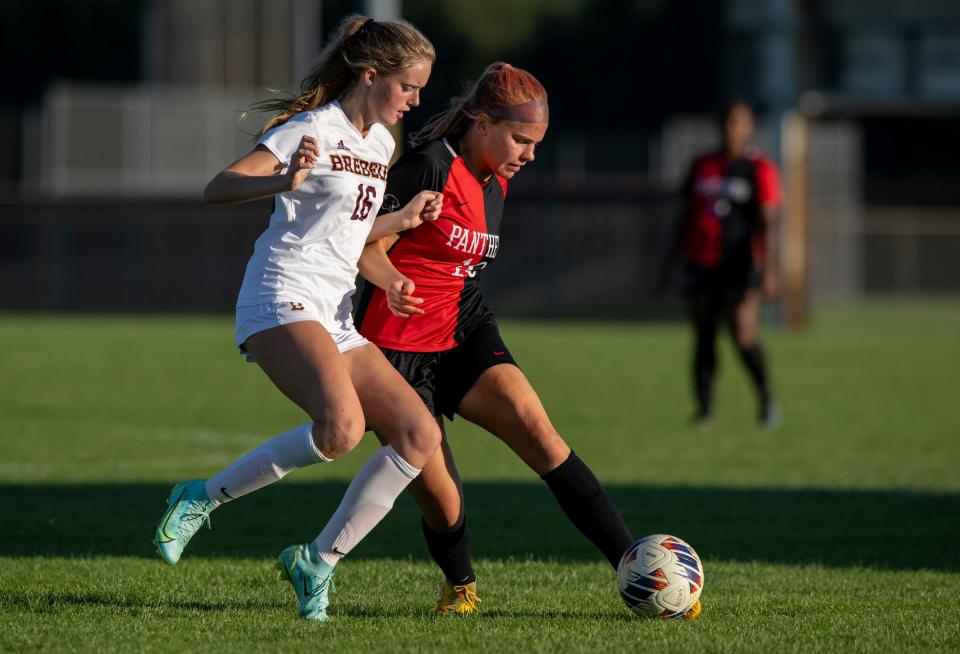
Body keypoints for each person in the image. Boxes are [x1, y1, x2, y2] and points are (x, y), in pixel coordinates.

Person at [151, 15, 444, 622]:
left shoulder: (381, 144)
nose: (417, 100)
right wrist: (286, 177)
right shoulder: (312, 129)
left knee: (419, 437)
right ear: (371, 75)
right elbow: (218, 186)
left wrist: (394, 259)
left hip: (333, 310)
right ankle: (199, 499)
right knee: (341, 428)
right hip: (280, 296)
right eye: (410, 86)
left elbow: (352, 234)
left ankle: (318, 560)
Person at [354, 62, 648, 616]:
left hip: (463, 328)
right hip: (393, 349)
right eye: (521, 138)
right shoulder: (425, 167)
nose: (530, 153)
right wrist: (392, 280)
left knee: (539, 430)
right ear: (481, 122)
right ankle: (459, 586)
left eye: (537, 142)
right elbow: (360, 241)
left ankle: (639, 571)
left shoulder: (497, 182)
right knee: (442, 502)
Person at [662, 100, 782, 429]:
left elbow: (768, 223)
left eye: (738, 122)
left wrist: (770, 270)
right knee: (704, 335)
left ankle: (766, 396)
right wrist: (669, 264)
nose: (732, 128)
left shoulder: (759, 169)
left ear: (749, 127)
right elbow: (685, 217)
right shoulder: (702, 165)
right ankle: (704, 410)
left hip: (740, 265)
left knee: (743, 335)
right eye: (727, 122)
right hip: (701, 262)